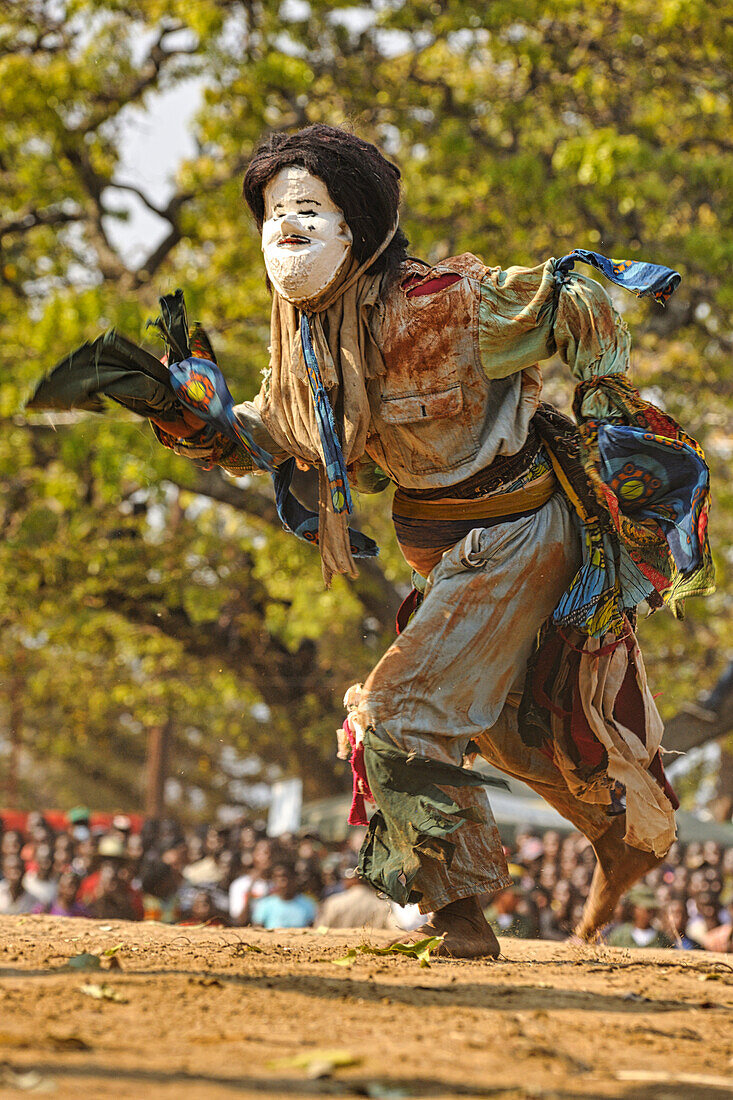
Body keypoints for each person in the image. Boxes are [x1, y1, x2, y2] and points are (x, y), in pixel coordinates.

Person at [32, 124, 713, 958]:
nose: (287, 227)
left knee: (393, 717)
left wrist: (609, 405)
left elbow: (581, 297)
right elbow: (269, 437)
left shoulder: (446, 303)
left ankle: (457, 915)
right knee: (514, 730)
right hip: (453, 555)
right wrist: (183, 411)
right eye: (275, 212)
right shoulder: (305, 343)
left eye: (307, 208)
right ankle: (624, 839)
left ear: (356, 221)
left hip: (521, 531)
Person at [250, 862, 316, 930]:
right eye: (278, 878)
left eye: (286, 877)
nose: (283, 883)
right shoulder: (265, 905)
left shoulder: (307, 904)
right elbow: (257, 930)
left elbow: (312, 931)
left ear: (294, 878)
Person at [606, 885, 673, 949]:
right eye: (647, 910)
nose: (650, 914)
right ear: (634, 909)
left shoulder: (662, 939)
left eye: (652, 910)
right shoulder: (619, 936)